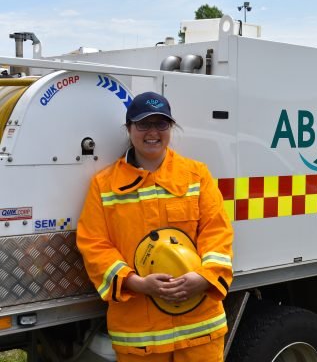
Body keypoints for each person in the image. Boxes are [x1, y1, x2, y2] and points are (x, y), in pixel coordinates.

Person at [77, 91, 233, 362]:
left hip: (199, 327)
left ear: (170, 129)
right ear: (129, 129)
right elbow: (93, 244)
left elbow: (216, 232)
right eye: (143, 124)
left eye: (161, 124)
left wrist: (204, 277)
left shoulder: (196, 175)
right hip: (140, 335)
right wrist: (135, 283)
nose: (152, 132)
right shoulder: (104, 185)